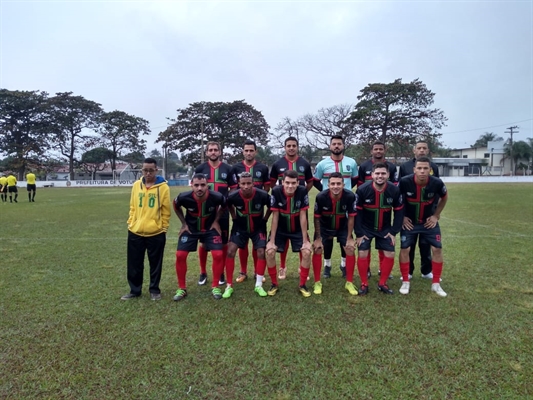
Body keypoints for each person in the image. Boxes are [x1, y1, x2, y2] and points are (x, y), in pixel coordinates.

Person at [121, 158, 170, 301]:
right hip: (135, 231)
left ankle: (154, 290)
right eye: (145, 170)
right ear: (142, 170)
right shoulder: (136, 185)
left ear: (156, 170)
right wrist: (131, 223)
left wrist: (163, 227)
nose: (148, 173)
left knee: (155, 263)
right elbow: (132, 206)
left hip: (156, 232)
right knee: (134, 263)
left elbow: (166, 210)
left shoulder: (163, 187)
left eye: (151, 170)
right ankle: (135, 290)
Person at [173, 173, 227, 301]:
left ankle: (215, 286)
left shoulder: (217, 197)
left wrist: (216, 220)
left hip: (210, 229)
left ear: (207, 185)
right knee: (180, 255)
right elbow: (176, 205)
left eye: (202, 185)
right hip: (190, 229)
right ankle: (182, 288)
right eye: (196, 185)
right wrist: (184, 223)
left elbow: (224, 205)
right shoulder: (183, 197)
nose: (199, 188)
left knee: (218, 254)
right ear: (191, 185)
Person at [398, 157, 448, 297]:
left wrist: (436, 215)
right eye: (419, 168)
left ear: (430, 170)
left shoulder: (436, 183)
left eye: (425, 168)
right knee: (405, 248)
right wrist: (402, 217)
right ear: (414, 169)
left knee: (437, 248)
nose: (422, 171)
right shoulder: (405, 182)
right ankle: (406, 281)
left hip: (428, 223)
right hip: (410, 222)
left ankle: (436, 284)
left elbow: (445, 197)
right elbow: (397, 200)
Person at [313, 135, 358, 279]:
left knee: (344, 236)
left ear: (343, 145)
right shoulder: (322, 164)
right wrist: (326, 192)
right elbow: (315, 181)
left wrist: (345, 192)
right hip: (328, 203)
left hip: (345, 203)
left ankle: (344, 265)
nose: (337, 146)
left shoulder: (352, 162)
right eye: (334, 144)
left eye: (339, 144)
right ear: (330, 146)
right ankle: (327, 265)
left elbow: (355, 179)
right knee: (328, 238)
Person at [355, 163, 404, 295]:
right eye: (377, 173)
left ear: (388, 175)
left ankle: (383, 283)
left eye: (383, 173)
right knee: (362, 253)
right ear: (372, 175)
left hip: (385, 229)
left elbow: (399, 211)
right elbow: (357, 213)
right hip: (366, 228)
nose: (380, 176)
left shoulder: (394, 190)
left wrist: (393, 232)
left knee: (390, 253)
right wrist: (359, 233)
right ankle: (364, 283)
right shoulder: (362, 190)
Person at [269, 136, 313, 279]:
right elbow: (272, 182)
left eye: (294, 145)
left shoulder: (304, 163)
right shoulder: (277, 163)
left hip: (298, 204)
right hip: (283, 205)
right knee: (284, 241)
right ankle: (282, 267)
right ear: (285, 147)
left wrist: (301, 195)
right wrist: (282, 194)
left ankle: (302, 267)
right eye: (289, 145)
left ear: (297, 147)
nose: (291, 148)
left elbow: (310, 182)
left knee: (301, 236)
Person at [265, 170, 312, 297]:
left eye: (293, 183)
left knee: (307, 251)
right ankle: (274, 284)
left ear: (298, 183)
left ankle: (302, 285)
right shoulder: (276, 191)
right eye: (287, 183)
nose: (290, 186)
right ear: (282, 182)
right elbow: (275, 217)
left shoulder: (302, 191)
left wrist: (305, 240)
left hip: (297, 229)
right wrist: (272, 241)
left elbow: (303, 216)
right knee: (269, 251)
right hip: (281, 229)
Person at [229, 140, 270, 283]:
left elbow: (267, 187)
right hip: (242, 210)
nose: (249, 153)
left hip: (257, 209)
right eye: (246, 150)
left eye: (251, 150)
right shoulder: (235, 168)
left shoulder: (263, 168)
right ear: (243, 151)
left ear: (255, 151)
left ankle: (257, 272)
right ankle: (243, 271)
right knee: (242, 243)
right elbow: (233, 190)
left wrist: (259, 200)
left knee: (258, 243)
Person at [398, 140, 440, 279]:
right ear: (414, 150)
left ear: (428, 151)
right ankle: (408, 272)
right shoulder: (405, 166)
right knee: (408, 245)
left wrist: (435, 214)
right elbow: (399, 193)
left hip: (427, 213)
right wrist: (402, 215)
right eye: (419, 148)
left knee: (425, 244)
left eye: (424, 148)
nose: (421, 150)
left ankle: (426, 271)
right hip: (410, 214)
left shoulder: (433, 166)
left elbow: (437, 190)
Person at [194, 141, 234, 286]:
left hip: (222, 213)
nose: (213, 152)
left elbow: (234, 189)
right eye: (210, 150)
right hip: (204, 212)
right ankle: (203, 272)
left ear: (220, 152)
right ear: (206, 152)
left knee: (223, 242)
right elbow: (195, 189)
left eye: (215, 150)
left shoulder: (228, 169)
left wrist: (227, 204)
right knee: (204, 243)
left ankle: (220, 272)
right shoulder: (200, 168)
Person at [225, 172, 271, 298]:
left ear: (253, 183)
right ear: (239, 184)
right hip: (240, 227)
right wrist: (234, 217)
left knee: (261, 251)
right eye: (243, 184)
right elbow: (228, 204)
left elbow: (271, 205)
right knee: (230, 251)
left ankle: (258, 285)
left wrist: (265, 219)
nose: (246, 186)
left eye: (249, 183)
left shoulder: (262, 195)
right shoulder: (233, 196)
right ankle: (229, 286)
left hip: (258, 227)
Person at [357, 140, 398, 279]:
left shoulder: (392, 168)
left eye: (381, 149)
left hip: (384, 225)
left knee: (386, 247)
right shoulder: (364, 167)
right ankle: (365, 273)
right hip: (367, 222)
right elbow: (360, 186)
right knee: (364, 249)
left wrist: (393, 231)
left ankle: (383, 272)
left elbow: (399, 208)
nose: (378, 151)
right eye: (376, 149)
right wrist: (359, 232)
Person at [312, 172, 357, 295]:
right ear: (328, 184)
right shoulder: (321, 197)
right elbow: (316, 217)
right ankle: (317, 282)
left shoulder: (350, 196)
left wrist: (349, 237)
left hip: (342, 227)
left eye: (338, 183)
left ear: (343, 184)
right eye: (333, 184)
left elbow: (352, 217)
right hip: (325, 227)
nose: (335, 186)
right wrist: (318, 237)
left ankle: (349, 282)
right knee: (317, 248)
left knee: (350, 248)